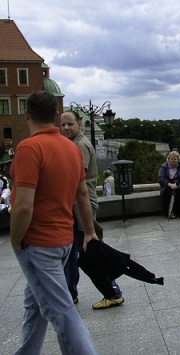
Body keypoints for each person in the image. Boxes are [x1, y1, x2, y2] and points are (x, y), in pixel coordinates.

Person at [10, 91, 98, 354]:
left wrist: (16, 241)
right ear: (57, 117)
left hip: (38, 243)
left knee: (62, 313)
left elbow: (23, 205)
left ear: (27, 116)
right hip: (64, 241)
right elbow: (82, 194)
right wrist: (89, 231)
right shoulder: (71, 148)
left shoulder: (29, 147)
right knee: (35, 304)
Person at [60, 110, 124, 310]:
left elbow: (75, 178)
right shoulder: (74, 145)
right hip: (76, 205)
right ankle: (71, 293)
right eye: (62, 125)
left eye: (70, 124)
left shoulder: (80, 146)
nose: (66, 128)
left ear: (79, 124)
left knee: (88, 252)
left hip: (82, 205)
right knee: (73, 253)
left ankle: (113, 291)